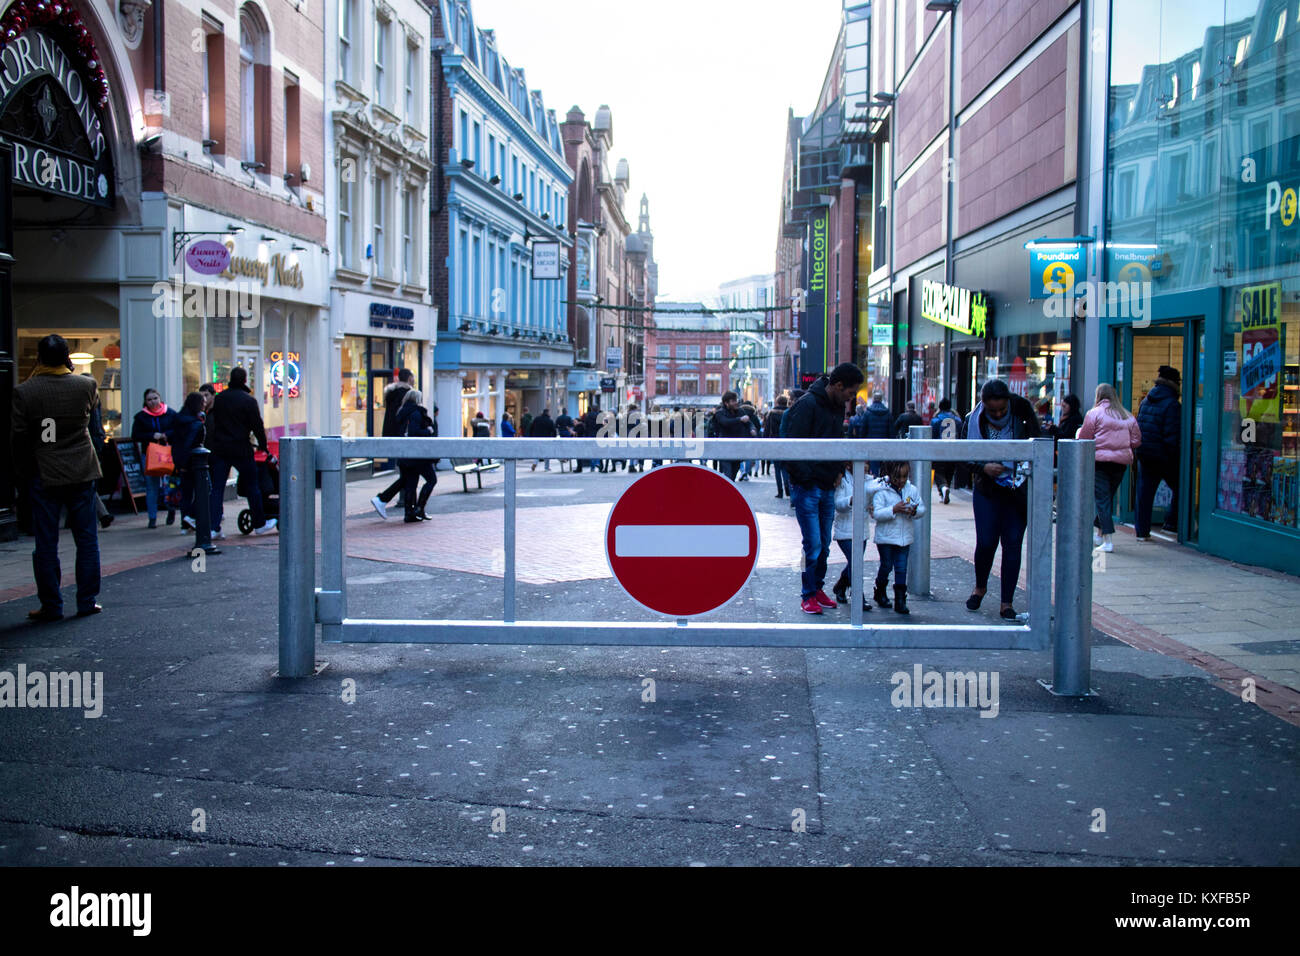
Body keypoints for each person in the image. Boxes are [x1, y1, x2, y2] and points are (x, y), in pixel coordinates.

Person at [11, 334, 102, 621]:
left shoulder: (25, 391)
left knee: (46, 542)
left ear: (39, 358)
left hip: (45, 473)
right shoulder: (86, 385)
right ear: (67, 357)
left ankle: (51, 605)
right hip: (81, 470)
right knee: (86, 539)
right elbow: (92, 426)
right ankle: (87, 601)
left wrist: (24, 472)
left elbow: (19, 437)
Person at [783, 363, 865, 615]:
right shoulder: (807, 405)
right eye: (850, 393)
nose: (851, 399)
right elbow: (790, 445)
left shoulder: (836, 405)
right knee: (813, 544)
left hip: (827, 484)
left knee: (823, 544)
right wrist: (806, 478)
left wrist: (838, 471)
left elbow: (836, 443)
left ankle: (816, 589)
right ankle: (807, 594)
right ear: (838, 386)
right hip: (809, 486)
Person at [963, 379, 1042, 620]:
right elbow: (962, 453)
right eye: (992, 410)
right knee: (986, 542)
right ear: (983, 405)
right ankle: (980, 587)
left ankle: (1006, 603)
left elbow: (1039, 444)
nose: (997, 414)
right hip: (987, 489)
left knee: (1013, 543)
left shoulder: (1023, 412)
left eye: (1002, 409)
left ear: (1009, 402)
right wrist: (983, 467)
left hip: (1017, 489)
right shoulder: (973, 419)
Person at [207, 365, 276, 538]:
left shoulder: (220, 398)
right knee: (253, 486)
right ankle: (259, 523)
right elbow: (257, 425)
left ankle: (214, 527)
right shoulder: (248, 401)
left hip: (220, 447)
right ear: (245, 380)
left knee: (217, 488)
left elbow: (213, 421)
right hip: (241, 447)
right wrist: (263, 444)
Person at [1078, 383, 1141, 553]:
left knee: (1102, 500)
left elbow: (1084, 437)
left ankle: (1108, 540)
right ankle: (1099, 535)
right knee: (1106, 499)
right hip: (1120, 464)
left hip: (1099, 462)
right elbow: (1136, 441)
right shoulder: (1127, 416)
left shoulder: (1094, 414)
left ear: (1098, 396)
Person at [871, 460, 926, 615]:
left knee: (901, 568)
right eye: (898, 477)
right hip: (886, 538)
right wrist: (893, 510)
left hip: (904, 537)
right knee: (886, 565)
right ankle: (880, 591)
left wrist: (914, 511)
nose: (902, 480)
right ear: (890, 475)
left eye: (904, 476)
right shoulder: (882, 491)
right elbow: (877, 513)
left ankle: (900, 600)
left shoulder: (911, 489)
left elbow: (922, 508)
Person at [1134, 365, 1182, 540]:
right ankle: (1171, 523)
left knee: (1144, 495)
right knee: (1182, 487)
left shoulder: (1147, 400)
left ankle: (1141, 532)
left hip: (1145, 454)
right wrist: (1174, 457)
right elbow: (1172, 436)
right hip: (1163, 456)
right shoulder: (1172, 405)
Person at [830, 466, 876, 611]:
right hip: (845, 530)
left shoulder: (869, 481)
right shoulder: (842, 480)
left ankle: (840, 586)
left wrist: (874, 506)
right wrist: (850, 500)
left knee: (854, 562)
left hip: (861, 530)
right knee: (856, 563)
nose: (867, 466)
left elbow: (875, 499)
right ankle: (858, 596)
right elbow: (837, 504)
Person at [370, 368, 415, 519]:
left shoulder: (391, 394)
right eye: (413, 377)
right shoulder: (407, 396)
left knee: (409, 473)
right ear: (409, 378)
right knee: (409, 473)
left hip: (392, 436)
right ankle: (385, 499)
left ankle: (410, 508)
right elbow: (402, 419)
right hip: (403, 439)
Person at [131, 388, 178, 528]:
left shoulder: (170, 413)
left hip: (168, 453)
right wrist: (152, 436)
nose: (152, 402)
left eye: (155, 398)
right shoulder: (140, 417)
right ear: (145, 402)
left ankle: (171, 510)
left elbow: (178, 429)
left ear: (160, 398)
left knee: (171, 485)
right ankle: (152, 517)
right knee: (152, 487)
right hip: (150, 455)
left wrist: (166, 435)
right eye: (149, 399)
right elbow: (136, 435)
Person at [167, 392, 207, 531]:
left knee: (186, 493)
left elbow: (172, 438)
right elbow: (193, 443)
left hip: (180, 460)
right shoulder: (196, 424)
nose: (205, 405)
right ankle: (190, 517)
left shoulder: (178, 419)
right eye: (203, 403)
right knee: (205, 489)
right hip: (194, 461)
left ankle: (185, 524)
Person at [395, 389, 437, 522]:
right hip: (418, 455)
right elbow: (415, 432)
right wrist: (428, 431)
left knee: (411, 484)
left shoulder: (401, 412)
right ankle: (419, 508)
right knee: (431, 479)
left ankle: (409, 513)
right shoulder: (416, 413)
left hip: (405, 455)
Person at [712, 391, 756, 481]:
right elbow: (725, 422)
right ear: (726, 403)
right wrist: (739, 419)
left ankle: (727, 493)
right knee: (728, 475)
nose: (736, 402)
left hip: (737, 448)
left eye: (736, 400)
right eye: (733, 401)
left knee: (733, 476)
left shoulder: (740, 411)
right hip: (724, 449)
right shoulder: (720, 413)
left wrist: (752, 429)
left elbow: (749, 423)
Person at [930, 398, 963, 504]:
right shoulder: (957, 420)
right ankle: (946, 488)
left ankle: (943, 488)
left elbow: (932, 435)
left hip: (939, 449)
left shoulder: (936, 420)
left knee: (938, 471)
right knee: (949, 470)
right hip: (953, 449)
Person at [851, 391, 892, 474]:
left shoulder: (868, 413)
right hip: (884, 443)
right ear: (881, 399)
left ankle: (875, 479)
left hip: (871, 443)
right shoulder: (887, 413)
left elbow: (863, 429)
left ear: (873, 399)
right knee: (884, 464)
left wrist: (861, 441)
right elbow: (891, 430)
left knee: (873, 464)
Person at [765, 395, 791, 498]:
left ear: (777, 402)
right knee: (785, 468)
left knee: (777, 468)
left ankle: (780, 492)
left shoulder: (771, 413)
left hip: (774, 442)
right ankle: (788, 490)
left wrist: (765, 442)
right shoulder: (789, 412)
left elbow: (767, 429)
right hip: (786, 443)